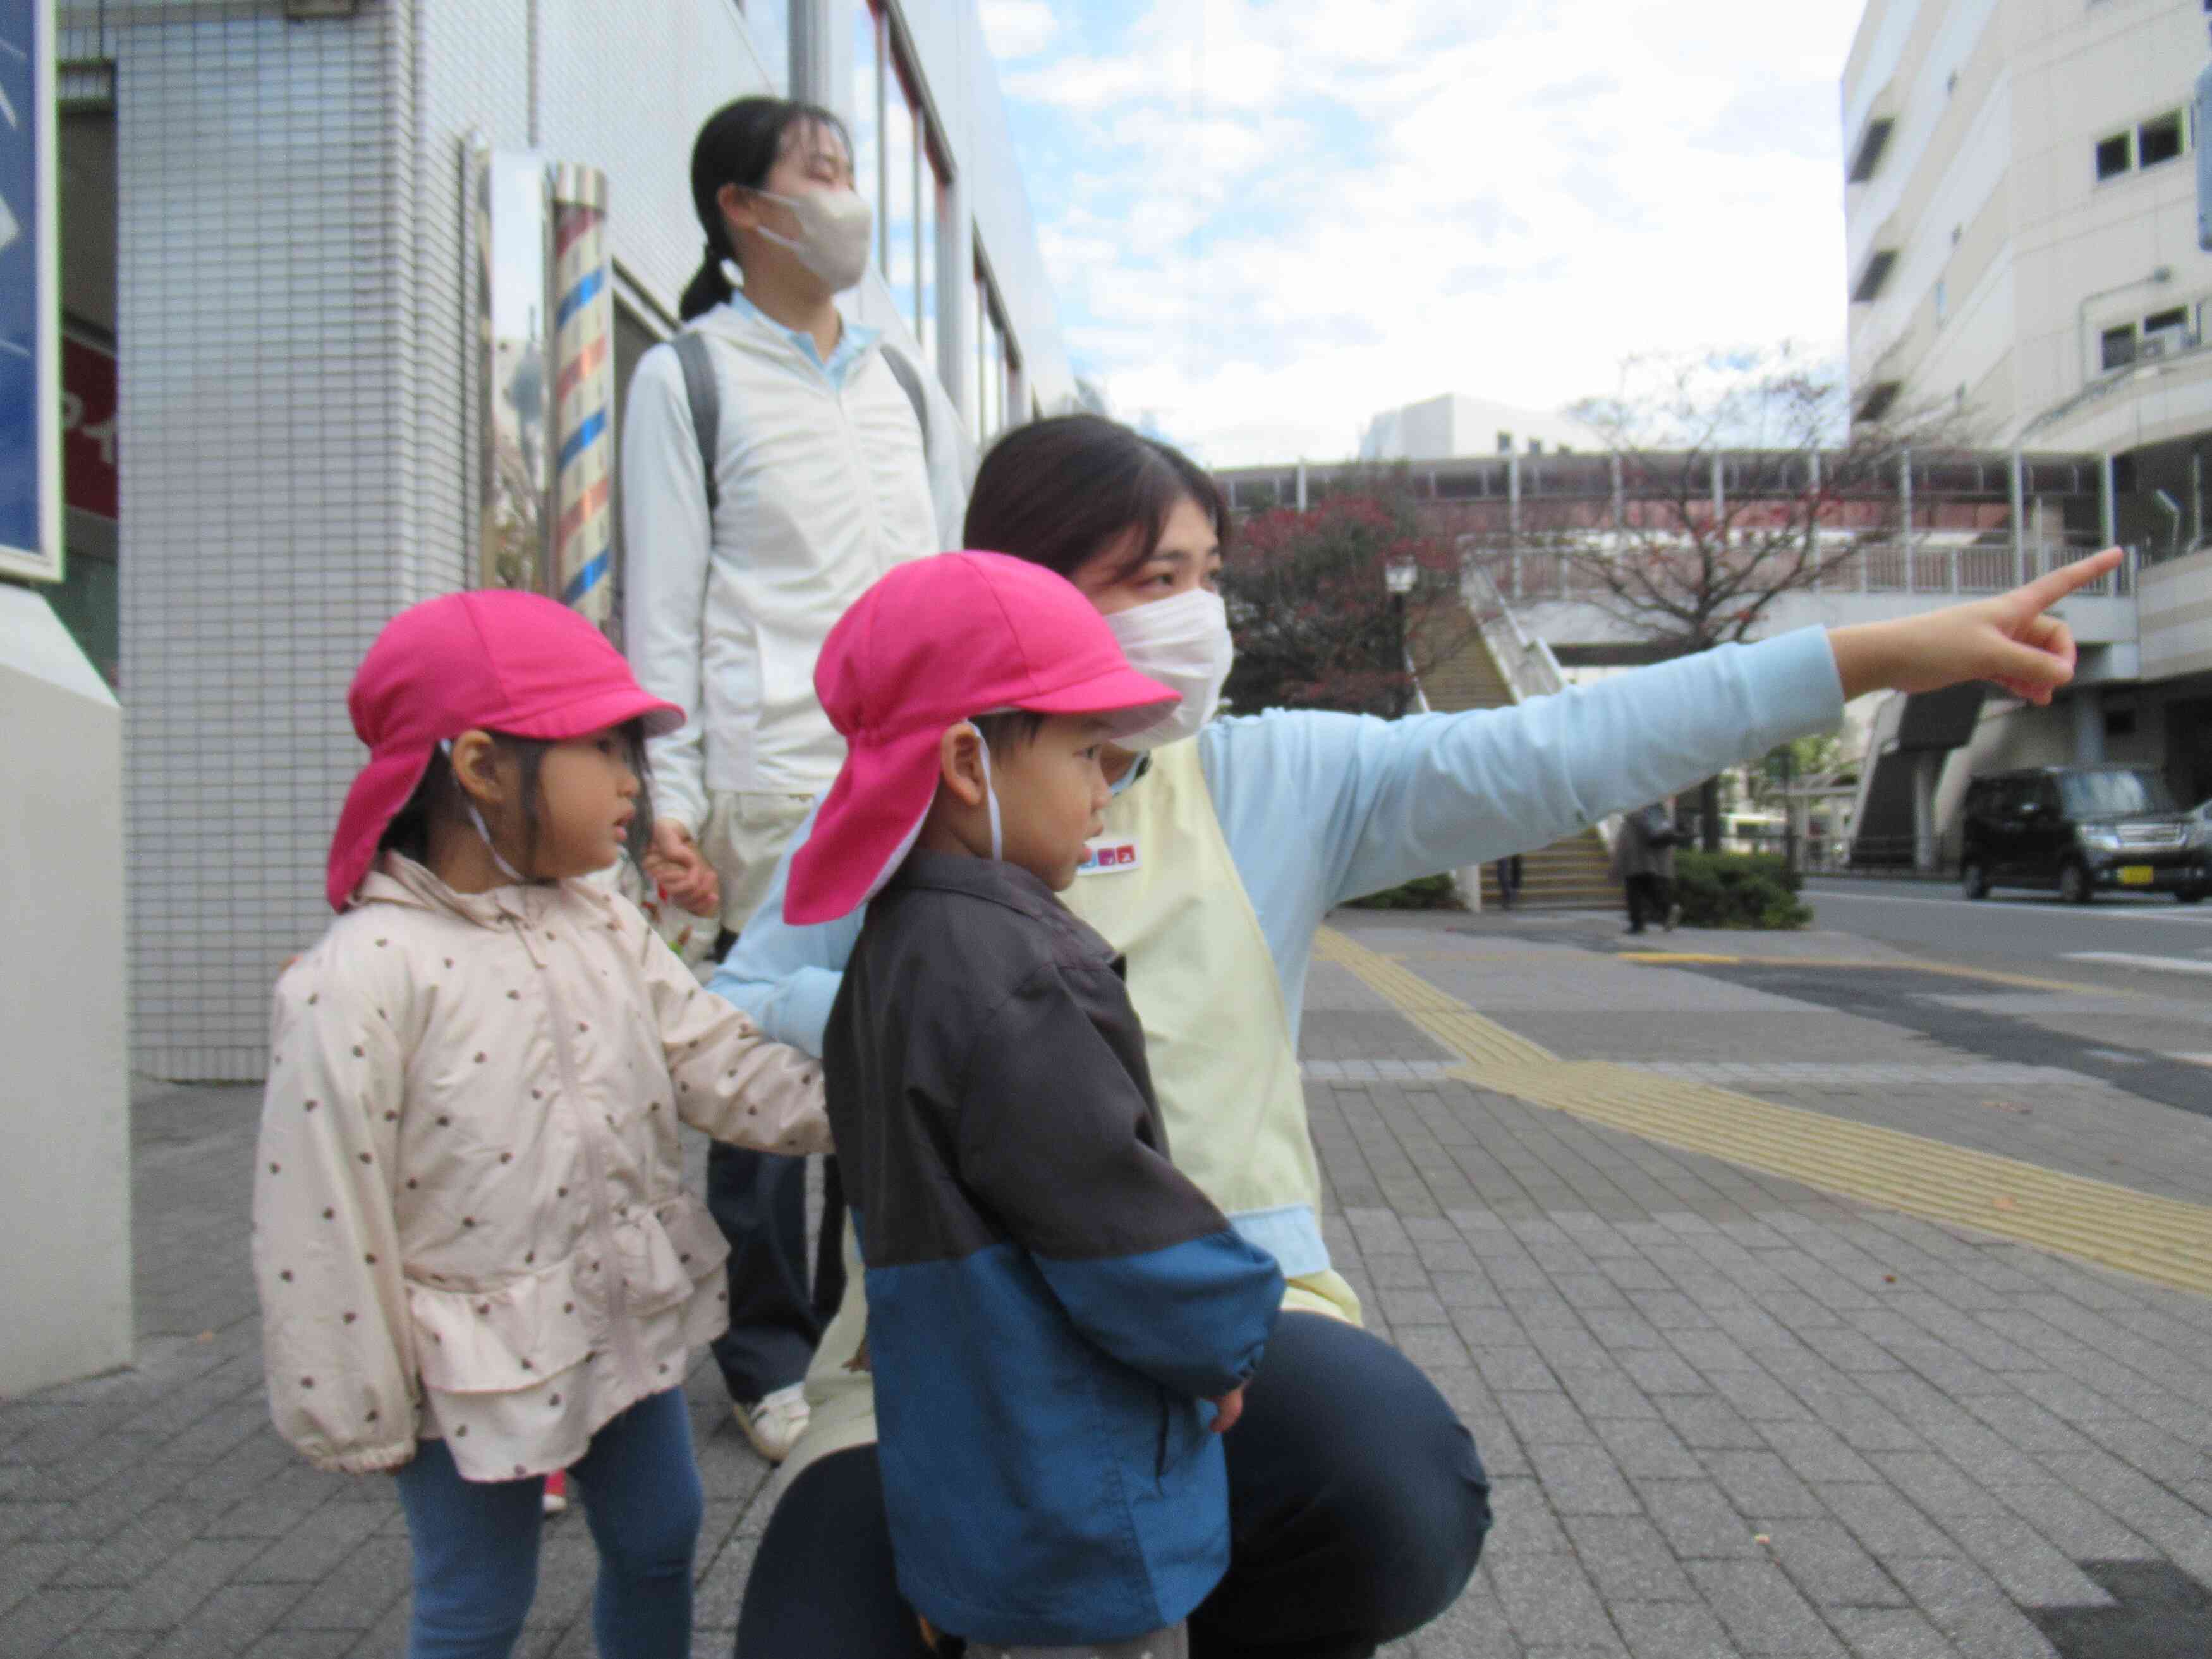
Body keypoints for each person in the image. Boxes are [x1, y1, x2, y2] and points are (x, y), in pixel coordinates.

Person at [715, 414, 2120, 1659]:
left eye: (1209, 575)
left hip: (1220, 1320)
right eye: (1155, 580)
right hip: (937, 1349)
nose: (1199, 614)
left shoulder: (1273, 777)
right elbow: (734, 1005)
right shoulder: (906, 801)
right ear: (1020, 596)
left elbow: (1564, 747)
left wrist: (1868, 653)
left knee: (1396, 1499)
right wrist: (959, 1030)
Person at [251, 590, 830, 1659]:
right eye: (604, 746)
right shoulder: (364, 975)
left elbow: (713, 1058)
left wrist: (872, 1107)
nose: (632, 781)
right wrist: (361, 1411)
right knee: (476, 1597)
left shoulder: (604, 919)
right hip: (464, 1366)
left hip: (618, 1315)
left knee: (664, 1535)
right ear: (478, 765)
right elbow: (320, 1213)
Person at [789, 551, 1287, 1659]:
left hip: (963, 1474)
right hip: (1079, 1477)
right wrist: (1226, 1337)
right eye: (1084, 751)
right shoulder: (1019, 968)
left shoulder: (891, 954)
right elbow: (1115, 1222)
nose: (1104, 785)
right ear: (969, 762)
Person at [621, 95, 968, 1462]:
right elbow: (666, 604)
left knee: (906, 1046)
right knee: (766, 1067)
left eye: (847, 170)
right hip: (773, 778)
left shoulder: (904, 380)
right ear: (744, 211)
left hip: (908, 772)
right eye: (816, 173)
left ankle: (881, 1333)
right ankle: (766, 1352)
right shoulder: (689, 376)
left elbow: (946, 586)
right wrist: (672, 802)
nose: (844, 196)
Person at [1612, 799, 1680, 933]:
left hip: (1637, 858)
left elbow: (1630, 836)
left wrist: (1618, 862)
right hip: (1646, 860)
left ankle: (1639, 924)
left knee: (1635, 891)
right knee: (1648, 890)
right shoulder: (1654, 807)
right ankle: (1667, 911)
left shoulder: (1638, 811)